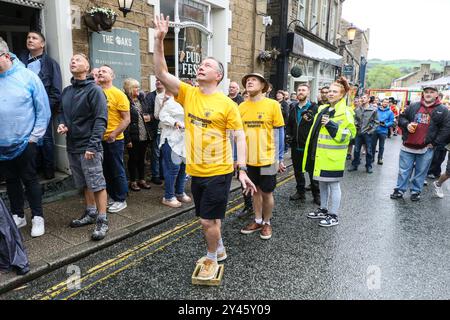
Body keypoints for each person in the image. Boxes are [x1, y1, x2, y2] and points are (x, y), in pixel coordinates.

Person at [153, 14, 256, 280]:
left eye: (208, 65)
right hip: (196, 170)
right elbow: (161, 73)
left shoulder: (228, 105)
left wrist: (242, 169)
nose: (201, 66)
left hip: (218, 171)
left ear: (218, 75)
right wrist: (159, 39)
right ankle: (218, 248)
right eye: (201, 63)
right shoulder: (189, 93)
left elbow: (239, 136)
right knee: (211, 218)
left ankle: (212, 257)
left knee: (206, 221)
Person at [0, 38, 51, 237]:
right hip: (3, 143)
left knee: (30, 180)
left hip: (25, 141)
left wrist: (34, 138)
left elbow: (43, 110)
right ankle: (18, 215)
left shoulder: (28, 77)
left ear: (5, 55)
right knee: (11, 180)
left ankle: (38, 217)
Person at [57, 54, 109, 240]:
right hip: (73, 145)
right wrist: (63, 123)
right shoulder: (67, 91)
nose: (73, 61)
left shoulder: (94, 90)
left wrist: (93, 145)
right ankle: (90, 212)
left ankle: (102, 220)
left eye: (78, 59)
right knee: (84, 183)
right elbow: (62, 112)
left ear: (87, 67)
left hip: (89, 146)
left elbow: (101, 119)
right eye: (71, 59)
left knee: (97, 183)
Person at [303, 77, 356, 227]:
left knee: (333, 185)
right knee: (322, 184)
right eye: (330, 91)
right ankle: (324, 209)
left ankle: (333, 215)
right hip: (320, 155)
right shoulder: (323, 109)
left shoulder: (346, 112)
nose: (331, 94)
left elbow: (350, 135)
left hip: (333, 157)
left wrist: (332, 125)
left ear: (342, 94)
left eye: (335, 91)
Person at [239, 73, 286, 240]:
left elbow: (279, 132)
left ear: (263, 86)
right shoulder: (241, 107)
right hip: (248, 160)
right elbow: (237, 136)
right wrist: (238, 160)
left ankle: (267, 222)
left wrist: (280, 158)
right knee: (254, 192)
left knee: (266, 192)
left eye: (254, 80)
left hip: (267, 159)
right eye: (247, 81)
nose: (249, 82)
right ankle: (257, 220)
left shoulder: (273, 105)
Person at [390, 86, 448, 202]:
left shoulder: (443, 110)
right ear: (423, 93)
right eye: (426, 92)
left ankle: (416, 191)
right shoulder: (414, 106)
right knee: (404, 170)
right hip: (408, 145)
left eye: (432, 92)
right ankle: (400, 190)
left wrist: (435, 143)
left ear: (436, 95)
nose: (428, 94)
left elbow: (446, 128)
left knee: (421, 171)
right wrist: (407, 125)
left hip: (426, 147)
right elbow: (401, 118)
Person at [19, 31, 62, 180]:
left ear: (42, 44)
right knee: (26, 139)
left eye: (34, 38)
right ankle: (32, 170)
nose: (30, 40)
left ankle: (48, 170)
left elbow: (56, 91)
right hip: (23, 110)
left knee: (46, 139)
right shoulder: (19, 62)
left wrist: (44, 108)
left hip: (43, 109)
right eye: (28, 37)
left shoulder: (51, 64)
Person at [97, 65, 131, 213]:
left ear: (112, 76)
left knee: (116, 169)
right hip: (98, 139)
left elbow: (126, 119)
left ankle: (121, 199)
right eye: (99, 71)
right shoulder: (96, 92)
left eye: (104, 71)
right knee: (105, 170)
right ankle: (112, 196)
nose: (100, 73)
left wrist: (114, 134)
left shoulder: (118, 94)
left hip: (114, 139)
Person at [286, 84, 320, 205]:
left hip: (309, 146)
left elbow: (318, 127)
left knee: (312, 171)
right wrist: (288, 135)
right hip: (296, 145)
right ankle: (300, 192)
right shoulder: (293, 107)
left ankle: (317, 194)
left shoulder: (315, 108)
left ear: (308, 92)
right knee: (298, 171)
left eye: (303, 90)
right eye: (299, 90)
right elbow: (289, 124)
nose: (300, 92)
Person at [159, 91, 191, 208]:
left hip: (185, 141)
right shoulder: (171, 103)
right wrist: (175, 122)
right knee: (172, 169)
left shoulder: (192, 103)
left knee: (183, 167)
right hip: (171, 139)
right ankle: (168, 196)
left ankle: (179, 192)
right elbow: (162, 116)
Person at [123, 78, 152, 192]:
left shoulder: (142, 99)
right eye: (135, 87)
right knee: (133, 159)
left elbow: (149, 112)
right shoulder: (125, 101)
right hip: (133, 136)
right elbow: (124, 121)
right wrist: (127, 139)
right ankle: (133, 181)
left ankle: (142, 179)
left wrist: (150, 116)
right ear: (130, 89)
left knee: (142, 159)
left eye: (138, 87)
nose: (138, 89)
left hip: (144, 134)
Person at [348, 94, 378, 173]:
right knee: (356, 150)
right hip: (358, 133)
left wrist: (370, 131)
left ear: (368, 99)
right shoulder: (357, 109)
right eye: (362, 98)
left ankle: (368, 166)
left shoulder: (374, 110)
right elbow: (354, 119)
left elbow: (376, 123)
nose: (362, 99)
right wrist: (356, 124)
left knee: (369, 151)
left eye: (364, 98)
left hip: (368, 134)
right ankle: (355, 165)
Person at [145, 79, 165, 185]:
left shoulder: (170, 95)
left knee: (164, 152)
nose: (158, 82)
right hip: (155, 128)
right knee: (156, 153)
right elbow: (147, 112)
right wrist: (153, 116)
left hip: (167, 129)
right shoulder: (150, 96)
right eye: (157, 80)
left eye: (160, 80)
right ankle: (155, 175)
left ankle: (163, 173)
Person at [372, 98, 395, 165]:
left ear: (388, 103)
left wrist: (386, 124)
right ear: (382, 102)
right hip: (375, 130)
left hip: (383, 131)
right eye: (384, 102)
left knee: (381, 146)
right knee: (373, 145)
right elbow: (372, 118)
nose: (385, 103)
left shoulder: (390, 112)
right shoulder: (376, 110)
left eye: (387, 102)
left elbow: (391, 122)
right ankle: (372, 158)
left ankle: (380, 159)